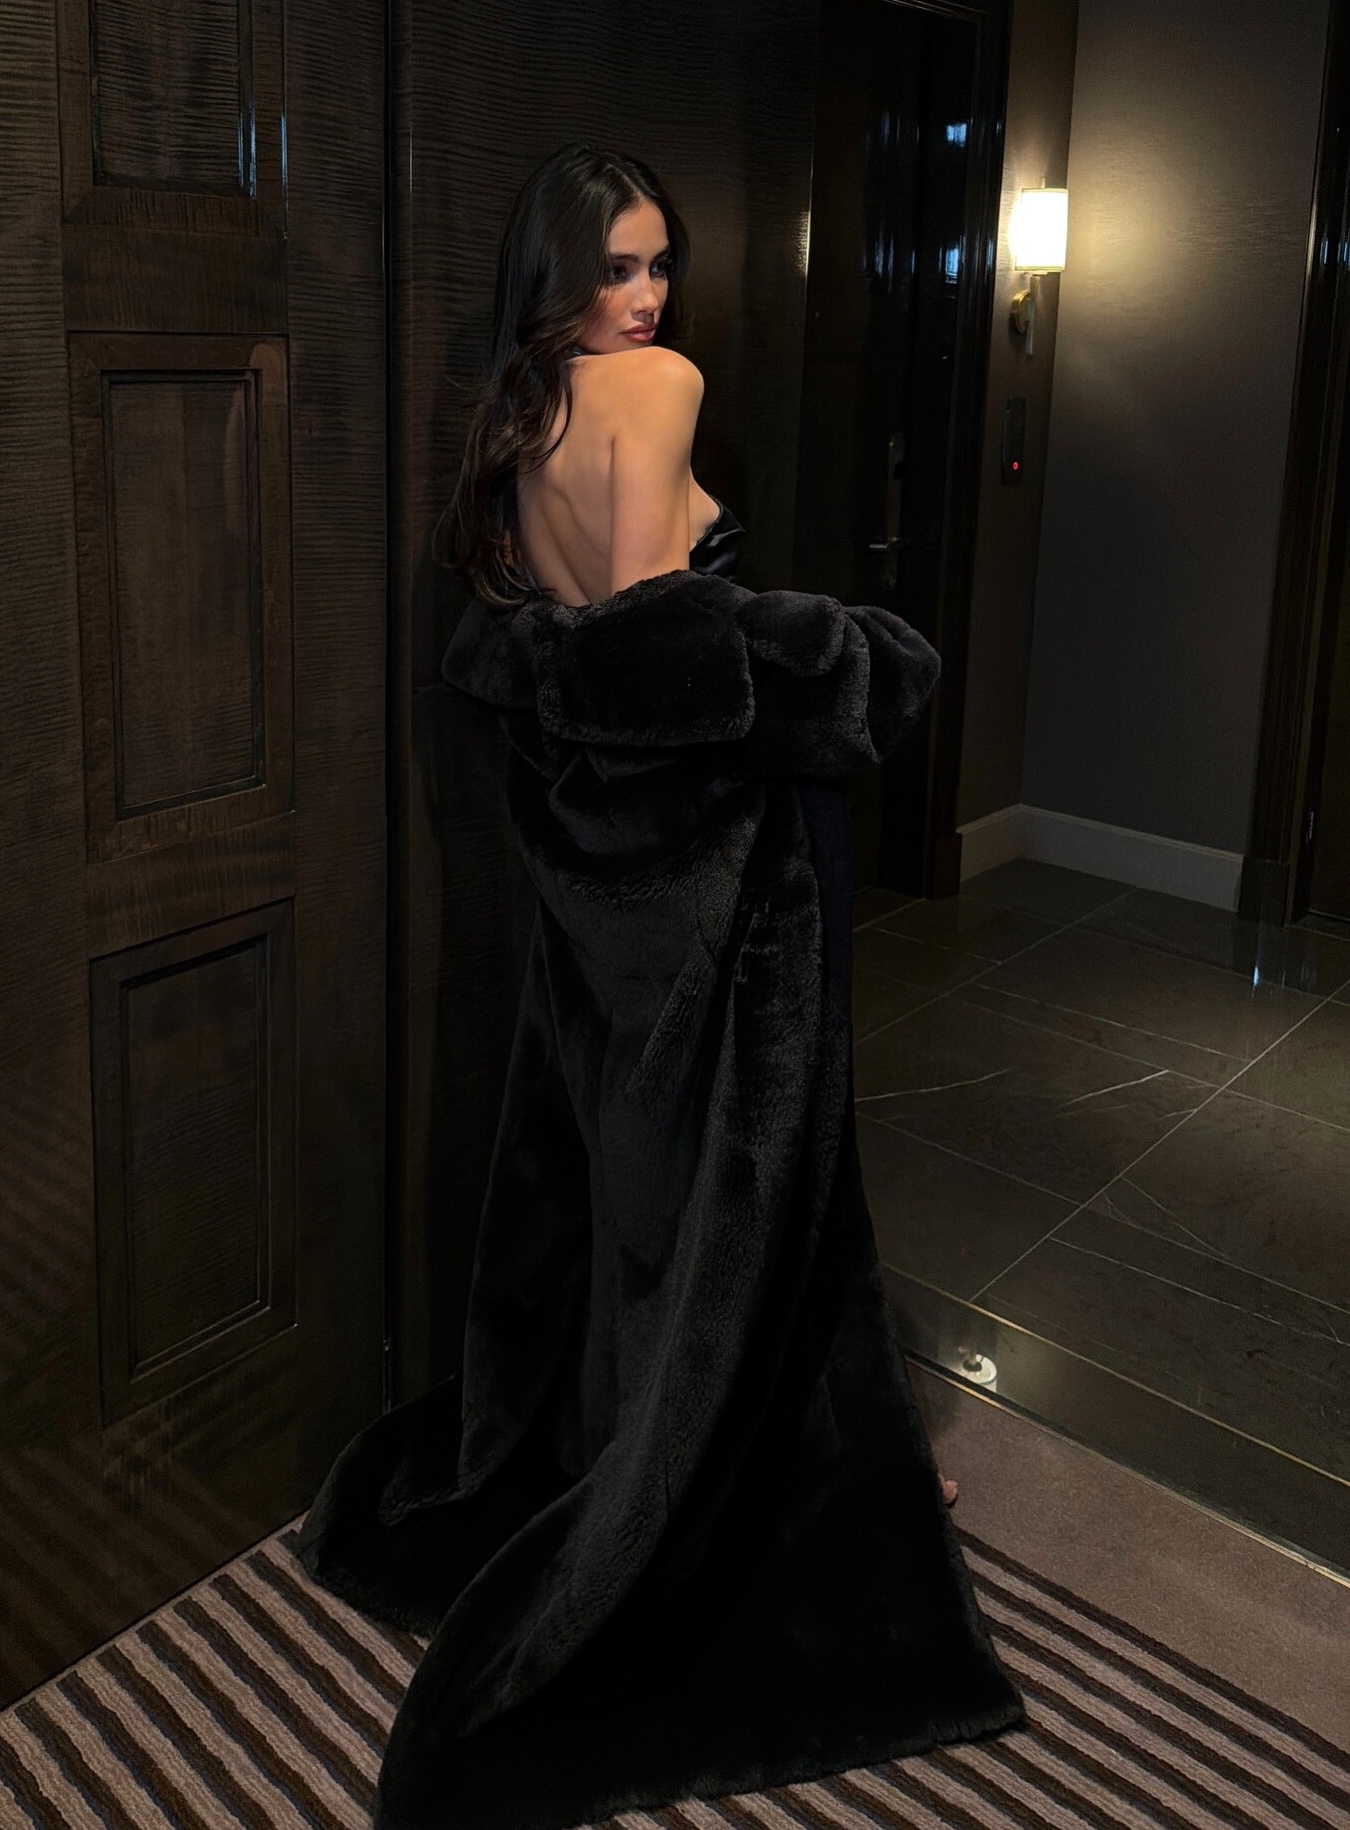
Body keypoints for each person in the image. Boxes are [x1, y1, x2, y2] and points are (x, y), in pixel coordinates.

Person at [290, 143, 1026, 1830]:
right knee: (765, 1171)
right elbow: (642, 644)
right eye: (615, 267)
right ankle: (781, 1483)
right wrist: (829, 657)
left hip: (590, 877)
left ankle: (698, 1445)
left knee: (641, 1170)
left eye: (658, 265)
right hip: (713, 859)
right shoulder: (659, 390)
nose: (646, 298)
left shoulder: (517, 421)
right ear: (558, 275)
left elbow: (546, 651)